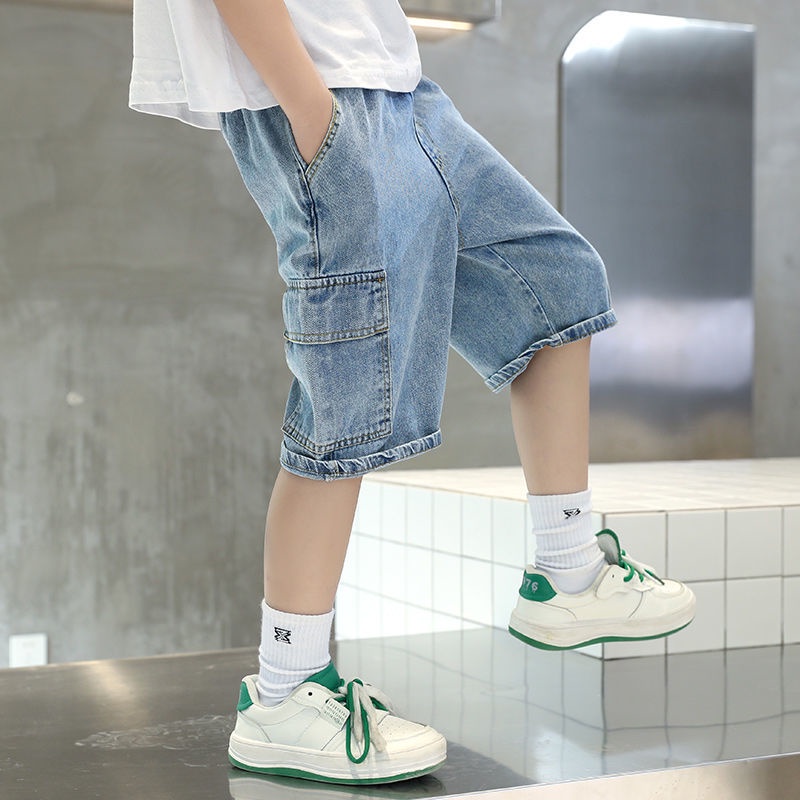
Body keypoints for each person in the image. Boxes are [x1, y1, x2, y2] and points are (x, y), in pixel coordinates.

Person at [129, 0, 695, 785]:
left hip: (402, 93)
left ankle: (569, 572)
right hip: (321, 101)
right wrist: (312, 114)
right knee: (347, 408)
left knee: (558, 286)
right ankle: (285, 694)